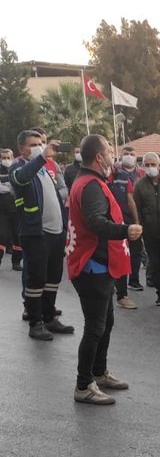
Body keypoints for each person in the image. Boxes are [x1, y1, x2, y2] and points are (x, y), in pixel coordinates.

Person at [66, 134, 142, 405]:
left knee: (105, 322)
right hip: (92, 265)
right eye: (110, 151)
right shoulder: (91, 185)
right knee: (95, 327)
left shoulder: (88, 180)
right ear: (99, 157)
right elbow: (96, 222)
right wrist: (125, 230)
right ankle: (83, 385)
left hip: (96, 264)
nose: (114, 156)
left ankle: (98, 373)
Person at [9, 130, 74, 340]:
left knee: (53, 278)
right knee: (36, 279)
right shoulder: (18, 167)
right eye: (33, 144)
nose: (39, 146)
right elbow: (20, 178)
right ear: (21, 148)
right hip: (36, 232)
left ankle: (49, 318)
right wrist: (42, 156)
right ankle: (35, 323)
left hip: (55, 232)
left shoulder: (46, 169)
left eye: (41, 143)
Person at [133, 153, 160, 306]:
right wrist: (140, 229)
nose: (150, 167)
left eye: (153, 164)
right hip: (150, 232)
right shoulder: (140, 185)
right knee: (155, 266)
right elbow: (137, 208)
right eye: (147, 165)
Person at [109, 153, 142, 307]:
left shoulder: (122, 176)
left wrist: (136, 222)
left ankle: (122, 295)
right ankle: (112, 290)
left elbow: (130, 199)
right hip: (106, 225)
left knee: (124, 256)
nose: (108, 155)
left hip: (124, 223)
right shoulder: (95, 177)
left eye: (110, 152)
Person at [0, 148, 22, 270]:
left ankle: (17, 262)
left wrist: (6, 184)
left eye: (8, 157)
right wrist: (10, 183)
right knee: (1, 237)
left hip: (16, 209)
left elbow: (18, 184)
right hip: (2, 210)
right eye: (3, 158)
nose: (6, 160)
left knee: (18, 237)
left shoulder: (16, 167)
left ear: (13, 157)